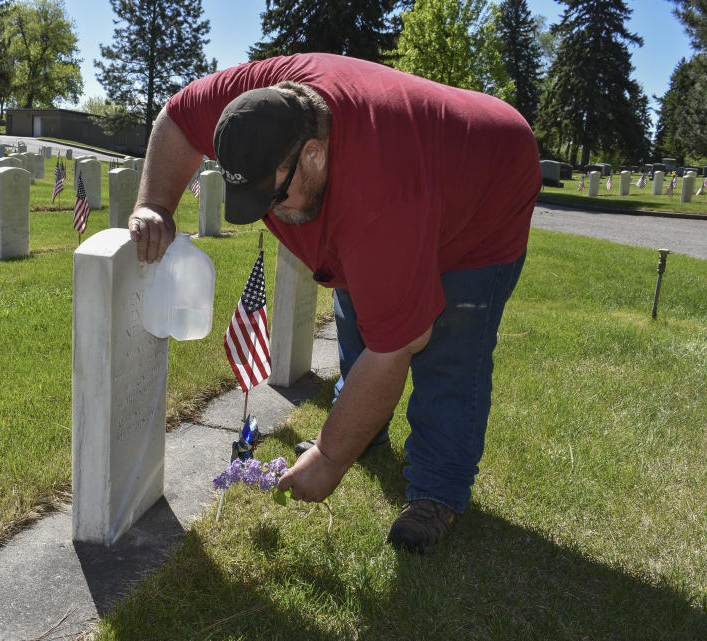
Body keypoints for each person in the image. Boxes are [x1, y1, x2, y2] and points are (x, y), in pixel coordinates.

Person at [129, 53, 541, 553]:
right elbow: (175, 118)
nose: (269, 215)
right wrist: (153, 204)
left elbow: (397, 346)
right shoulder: (245, 107)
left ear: (314, 155)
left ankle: (437, 490)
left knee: (449, 343)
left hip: (489, 183)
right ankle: (366, 431)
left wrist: (328, 457)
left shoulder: (381, 196)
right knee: (359, 313)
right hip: (404, 176)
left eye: (274, 196)